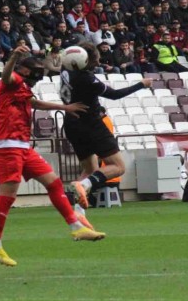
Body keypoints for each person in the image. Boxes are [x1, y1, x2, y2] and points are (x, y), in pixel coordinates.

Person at [0, 45, 105, 267]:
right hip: (7, 146)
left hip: (22, 146)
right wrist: (13, 56)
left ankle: (76, 228)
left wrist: (65, 107)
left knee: (54, 183)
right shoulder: (10, 82)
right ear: (28, 72)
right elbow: (5, 75)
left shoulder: (21, 88)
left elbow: (35, 103)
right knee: (8, 196)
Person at [62, 43, 153, 209]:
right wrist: (141, 84)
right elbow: (114, 95)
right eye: (95, 58)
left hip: (71, 123)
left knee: (90, 170)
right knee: (118, 167)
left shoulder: (66, 70)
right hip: (90, 124)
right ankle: (83, 185)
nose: (98, 61)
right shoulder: (87, 78)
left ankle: (76, 209)